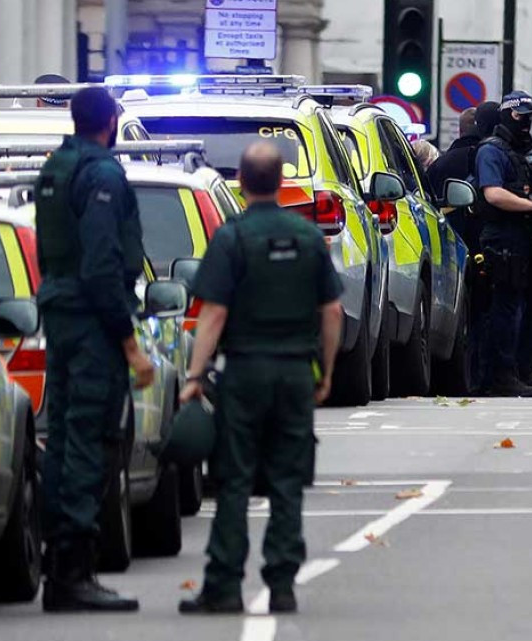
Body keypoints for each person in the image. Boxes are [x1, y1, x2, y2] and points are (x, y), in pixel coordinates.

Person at [178, 141, 344, 615]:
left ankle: (224, 585)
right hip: (295, 372)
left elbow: (212, 314)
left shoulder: (232, 238)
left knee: (234, 479)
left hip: (245, 371)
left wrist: (195, 375)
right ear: (280, 182)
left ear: (242, 183)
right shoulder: (309, 237)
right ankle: (283, 582)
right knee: (287, 479)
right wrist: (325, 370)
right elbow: (331, 311)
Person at [35, 86, 154, 612]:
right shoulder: (103, 175)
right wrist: (129, 342)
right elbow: (103, 264)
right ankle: (73, 573)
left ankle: (57, 561)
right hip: (91, 324)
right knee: (87, 440)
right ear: (110, 123)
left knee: (62, 438)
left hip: (60, 315)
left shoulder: (55, 169)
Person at [474, 91, 532, 397]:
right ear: (508, 116)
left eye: (529, 116)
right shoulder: (491, 151)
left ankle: (525, 370)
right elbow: (493, 193)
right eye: (520, 116)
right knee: (507, 309)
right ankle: (502, 373)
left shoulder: (531, 152)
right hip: (504, 239)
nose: (526, 122)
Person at [428, 106, 491, 392]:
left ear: (460, 130)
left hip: (448, 250)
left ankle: (456, 378)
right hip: (486, 245)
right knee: (484, 315)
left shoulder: (441, 165)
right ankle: (480, 377)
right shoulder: (490, 157)